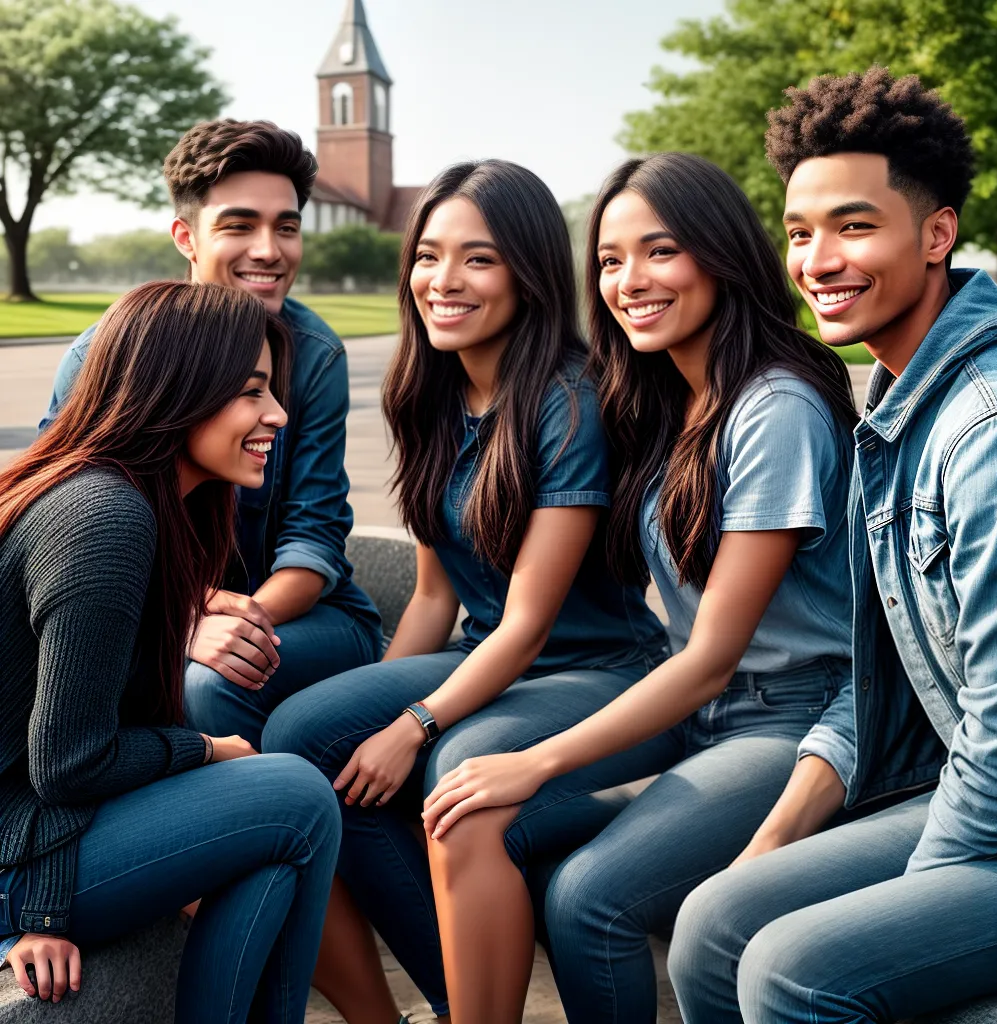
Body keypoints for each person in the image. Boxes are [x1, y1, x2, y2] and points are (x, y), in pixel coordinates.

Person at [419, 152, 858, 1023]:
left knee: (590, 898)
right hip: (705, 715)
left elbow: (710, 657)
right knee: (468, 816)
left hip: (794, 719)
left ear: (721, 254)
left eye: (660, 251)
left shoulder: (775, 407)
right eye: (611, 261)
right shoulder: (666, 401)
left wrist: (538, 759)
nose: (630, 282)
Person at [260, 159, 668, 1024]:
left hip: (596, 668)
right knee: (306, 738)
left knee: (449, 768)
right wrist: (368, 721)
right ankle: (450, 999)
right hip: (487, 657)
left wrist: (411, 725)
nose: (443, 281)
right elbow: (433, 600)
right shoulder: (430, 396)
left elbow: (526, 625)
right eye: (429, 256)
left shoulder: (569, 403)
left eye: (478, 259)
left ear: (528, 273)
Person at [670, 67, 997, 1024]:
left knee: (791, 970)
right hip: (967, 783)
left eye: (854, 227)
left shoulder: (991, 428)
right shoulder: (896, 407)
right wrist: (774, 841)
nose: (818, 261)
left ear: (937, 235)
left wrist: (920, 896)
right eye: (799, 233)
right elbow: (889, 673)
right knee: (715, 920)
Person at [0, 281, 341, 1023]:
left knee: (272, 856)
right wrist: (207, 750)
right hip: (13, 852)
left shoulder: (146, 503)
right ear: (177, 390)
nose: (278, 415)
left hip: (32, 830)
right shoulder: (102, 517)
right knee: (298, 794)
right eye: (251, 392)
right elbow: (67, 764)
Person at [40, 119, 381, 749]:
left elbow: (312, 540)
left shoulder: (314, 356)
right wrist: (180, 619)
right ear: (186, 238)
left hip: (299, 614)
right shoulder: (102, 357)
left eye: (286, 227)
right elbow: (58, 524)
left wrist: (221, 623)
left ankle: (267, 803)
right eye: (239, 225)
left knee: (211, 678)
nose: (269, 250)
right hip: (145, 612)